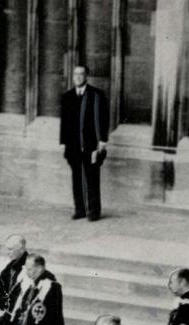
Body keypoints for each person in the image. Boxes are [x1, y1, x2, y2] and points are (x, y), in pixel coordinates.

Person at [59, 65, 109, 221]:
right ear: (72, 76)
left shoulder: (96, 95)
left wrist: (102, 141)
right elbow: (65, 122)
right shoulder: (67, 97)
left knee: (92, 178)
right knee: (76, 179)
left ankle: (93, 211)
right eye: (76, 74)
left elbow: (103, 118)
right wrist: (64, 142)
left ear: (86, 76)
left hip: (91, 145)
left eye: (81, 74)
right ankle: (80, 209)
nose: (78, 77)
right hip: (73, 146)